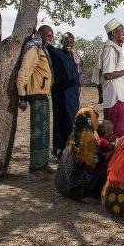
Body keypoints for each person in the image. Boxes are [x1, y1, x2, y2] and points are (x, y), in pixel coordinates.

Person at [17, 25, 55, 179]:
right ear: (39, 33)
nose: (50, 38)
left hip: (43, 94)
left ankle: (43, 164)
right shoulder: (33, 48)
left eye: (51, 36)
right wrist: (22, 97)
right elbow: (25, 72)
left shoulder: (42, 49)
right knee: (37, 132)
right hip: (36, 95)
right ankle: (35, 168)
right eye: (48, 35)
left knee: (44, 132)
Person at [96, 18, 124, 139]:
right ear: (113, 33)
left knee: (121, 135)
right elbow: (107, 75)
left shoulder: (114, 48)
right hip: (117, 98)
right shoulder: (110, 49)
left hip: (119, 97)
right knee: (118, 135)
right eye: (122, 31)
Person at [54, 107, 108, 203]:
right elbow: (98, 161)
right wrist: (115, 148)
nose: (96, 120)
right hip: (74, 187)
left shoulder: (74, 133)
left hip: (62, 183)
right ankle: (85, 194)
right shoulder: (87, 137)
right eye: (94, 117)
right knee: (105, 171)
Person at [47, 32, 81, 163]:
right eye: (66, 41)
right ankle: (56, 150)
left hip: (73, 94)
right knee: (60, 119)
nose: (69, 44)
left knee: (72, 120)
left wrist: (78, 85)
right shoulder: (56, 52)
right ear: (62, 41)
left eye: (71, 42)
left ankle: (68, 150)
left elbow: (78, 72)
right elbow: (46, 44)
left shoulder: (75, 56)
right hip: (61, 93)